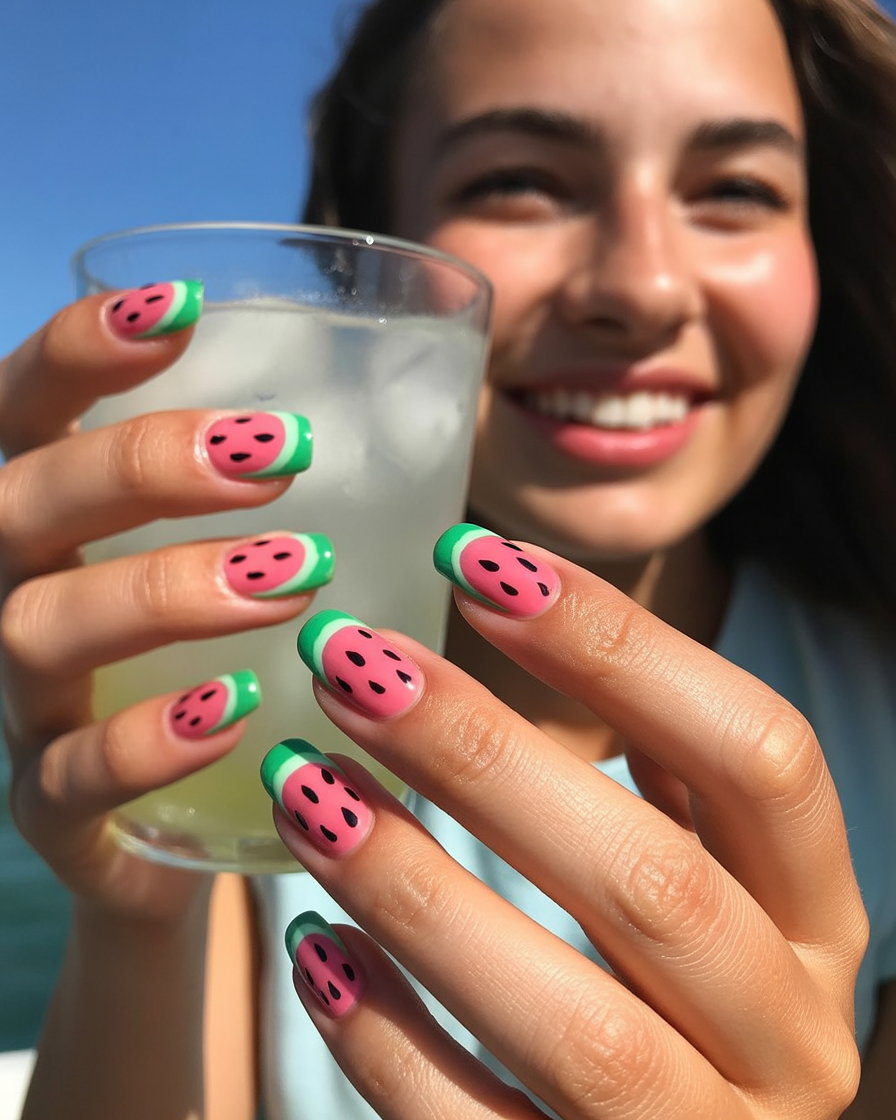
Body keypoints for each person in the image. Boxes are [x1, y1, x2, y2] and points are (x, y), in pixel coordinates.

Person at [3, 0, 896, 1115]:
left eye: (736, 190)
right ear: (375, 261)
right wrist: (136, 913)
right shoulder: (264, 724)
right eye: (519, 180)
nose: (642, 289)